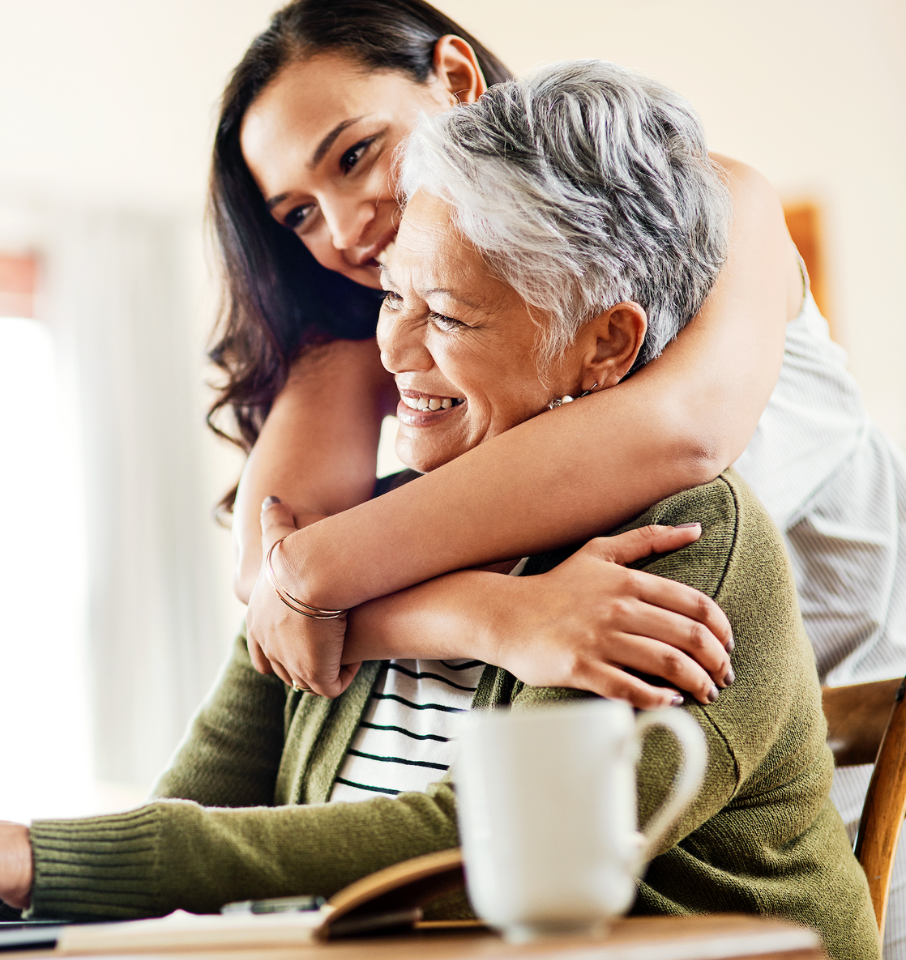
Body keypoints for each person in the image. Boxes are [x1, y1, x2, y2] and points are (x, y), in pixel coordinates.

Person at [0, 62, 878, 960]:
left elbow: (476, 846)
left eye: (444, 312)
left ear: (604, 345)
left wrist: (34, 852)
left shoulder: (683, 540)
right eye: (388, 296)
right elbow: (201, 802)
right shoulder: (375, 531)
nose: (393, 352)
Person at [213, 2, 906, 947]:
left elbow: (679, 433)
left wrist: (319, 582)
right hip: (635, 745)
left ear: (456, 80)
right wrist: (487, 619)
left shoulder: (714, 201)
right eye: (297, 213)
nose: (343, 227)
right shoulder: (375, 317)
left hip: (850, 749)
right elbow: (269, 576)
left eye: (354, 155)